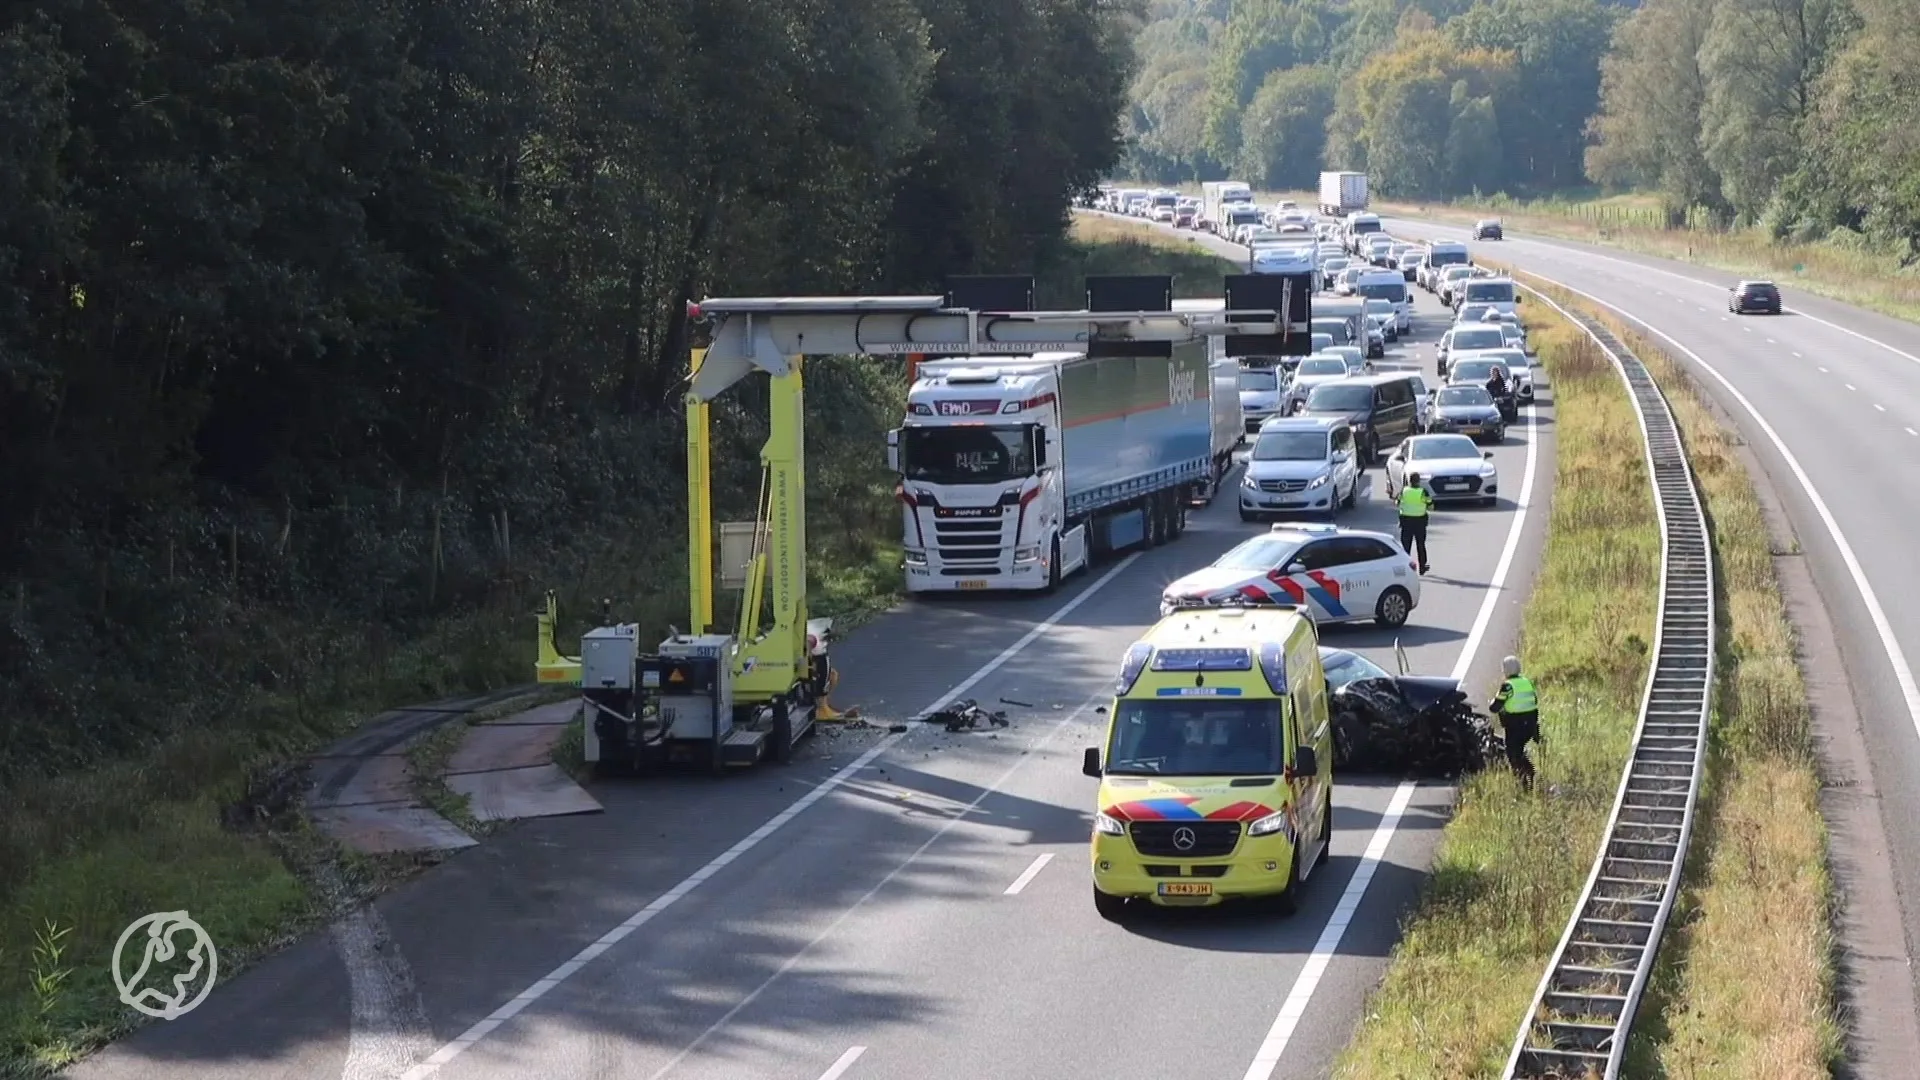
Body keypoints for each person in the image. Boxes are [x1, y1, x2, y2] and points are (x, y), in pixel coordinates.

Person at [1489, 655, 1540, 791]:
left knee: (1513, 755)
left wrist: (1493, 702)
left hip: (1515, 725)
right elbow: (1534, 701)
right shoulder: (1527, 682)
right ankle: (1531, 776)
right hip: (1530, 725)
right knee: (1520, 752)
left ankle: (1524, 783)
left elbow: (1495, 707)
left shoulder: (1507, 686)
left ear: (1506, 670)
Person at [1397, 473, 1433, 574]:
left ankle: (1405, 566)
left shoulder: (1404, 491)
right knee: (1420, 545)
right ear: (1418, 481)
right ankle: (1422, 566)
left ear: (1409, 480)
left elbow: (1397, 502)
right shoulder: (1423, 492)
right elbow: (1431, 506)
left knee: (1406, 546)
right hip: (1420, 522)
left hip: (1406, 522)